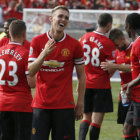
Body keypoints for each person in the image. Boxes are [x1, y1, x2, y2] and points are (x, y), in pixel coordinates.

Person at [28, 5, 85, 140]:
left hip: (64, 106)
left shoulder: (75, 45)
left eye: (66, 18)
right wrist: (44, 53)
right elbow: (30, 71)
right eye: (60, 16)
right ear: (51, 19)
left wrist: (81, 103)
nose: (63, 19)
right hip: (41, 105)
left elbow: (82, 75)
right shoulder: (37, 41)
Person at [79, 13, 115, 140]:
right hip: (101, 85)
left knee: (85, 118)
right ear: (109, 25)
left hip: (86, 83)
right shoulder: (108, 43)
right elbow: (111, 68)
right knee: (96, 121)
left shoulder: (84, 38)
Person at [0, 20, 35, 140]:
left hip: (2, 103)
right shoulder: (26, 54)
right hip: (21, 105)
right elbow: (32, 83)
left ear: (9, 33)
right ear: (24, 34)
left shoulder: (0, 51)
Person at [100, 28, 132, 124]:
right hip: (123, 95)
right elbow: (113, 70)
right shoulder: (117, 52)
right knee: (125, 125)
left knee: (134, 126)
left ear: (122, 38)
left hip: (135, 93)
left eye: (117, 45)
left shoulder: (134, 48)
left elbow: (134, 68)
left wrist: (115, 66)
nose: (116, 48)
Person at [122, 13, 140, 140]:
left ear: (128, 26)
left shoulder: (139, 43)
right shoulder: (136, 43)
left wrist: (130, 85)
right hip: (136, 96)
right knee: (127, 128)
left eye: (125, 25)